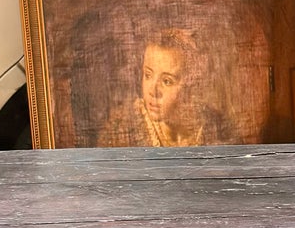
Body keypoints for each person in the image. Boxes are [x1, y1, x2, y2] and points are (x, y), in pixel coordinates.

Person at [98, 28, 233, 148]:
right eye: (148, 75)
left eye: (167, 81)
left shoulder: (218, 128)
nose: (153, 91)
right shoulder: (119, 130)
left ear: (190, 86)